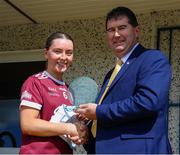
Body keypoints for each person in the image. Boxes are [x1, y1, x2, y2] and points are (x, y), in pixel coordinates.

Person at [75, 6, 172, 154]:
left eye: (122, 27)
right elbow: (108, 114)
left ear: (136, 31)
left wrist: (98, 111)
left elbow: (147, 102)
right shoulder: (111, 73)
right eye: (110, 30)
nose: (116, 34)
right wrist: (86, 129)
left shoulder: (152, 59)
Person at [19, 32, 87, 154]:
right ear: (46, 53)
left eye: (69, 53)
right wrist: (69, 128)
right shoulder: (35, 82)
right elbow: (28, 124)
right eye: (58, 51)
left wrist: (80, 133)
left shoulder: (68, 89)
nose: (64, 57)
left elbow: (69, 127)